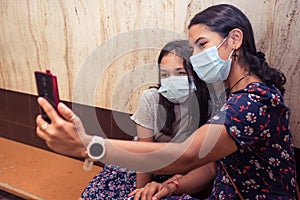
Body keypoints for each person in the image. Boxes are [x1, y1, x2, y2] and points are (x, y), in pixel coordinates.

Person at [36, 4, 298, 199]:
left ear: (235, 40)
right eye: (192, 48)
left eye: (202, 44)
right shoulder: (239, 93)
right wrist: (162, 187)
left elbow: (187, 156)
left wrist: (88, 146)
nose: (195, 57)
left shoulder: (253, 102)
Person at [80, 40, 213, 199]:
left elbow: (208, 165)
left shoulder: (208, 106)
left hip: (179, 175)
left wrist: (171, 185)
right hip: (142, 167)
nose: (172, 80)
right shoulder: (151, 99)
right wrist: (141, 192)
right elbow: (144, 155)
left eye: (180, 73)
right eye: (165, 74)